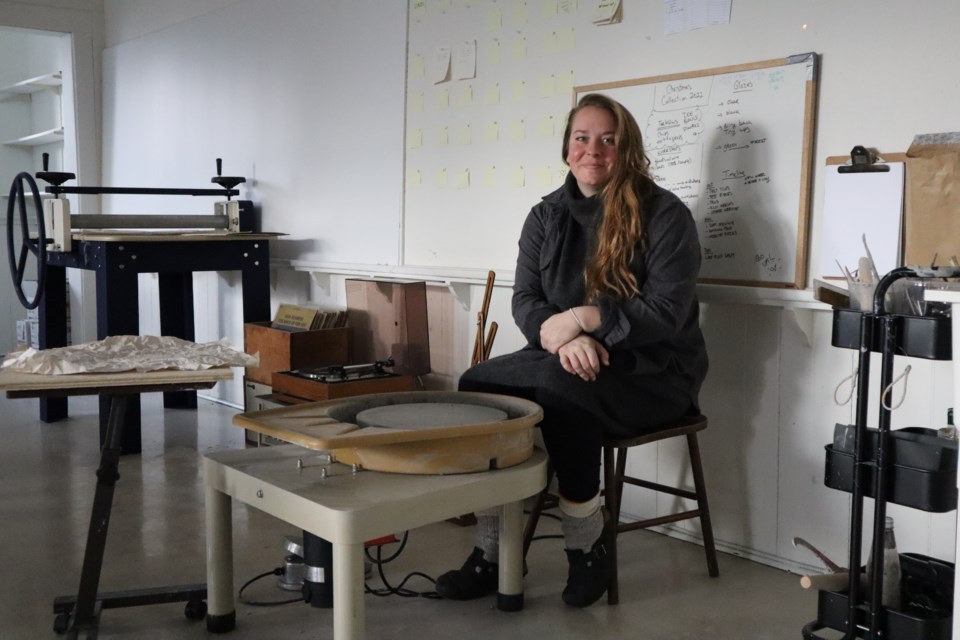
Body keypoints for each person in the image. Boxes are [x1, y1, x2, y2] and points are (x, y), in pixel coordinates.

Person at [434, 93, 708, 608]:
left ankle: (586, 546)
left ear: (627, 150)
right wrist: (565, 336)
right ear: (566, 150)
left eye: (609, 139)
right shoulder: (545, 216)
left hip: (654, 371)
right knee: (478, 384)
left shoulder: (666, 215)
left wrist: (584, 319)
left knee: (564, 391)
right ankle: (491, 552)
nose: (593, 150)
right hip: (565, 355)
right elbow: (525, 301)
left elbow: (664, 313)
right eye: (582, 138)